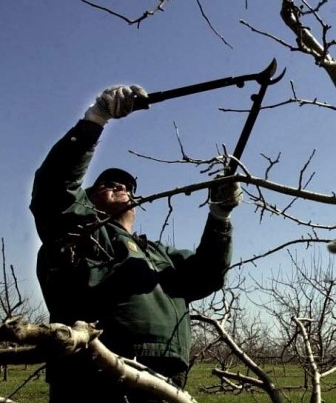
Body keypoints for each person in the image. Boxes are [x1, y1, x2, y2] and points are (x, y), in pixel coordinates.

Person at [30, 85, 242, 402]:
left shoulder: (159, 253)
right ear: (86, 200)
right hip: (92, 378)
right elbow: (53, 191)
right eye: (107, 184)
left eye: (128, 187)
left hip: (164, 382)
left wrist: (219, 215)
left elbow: (208, 274)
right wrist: (95, 119)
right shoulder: (79, 233)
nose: (120, 186)